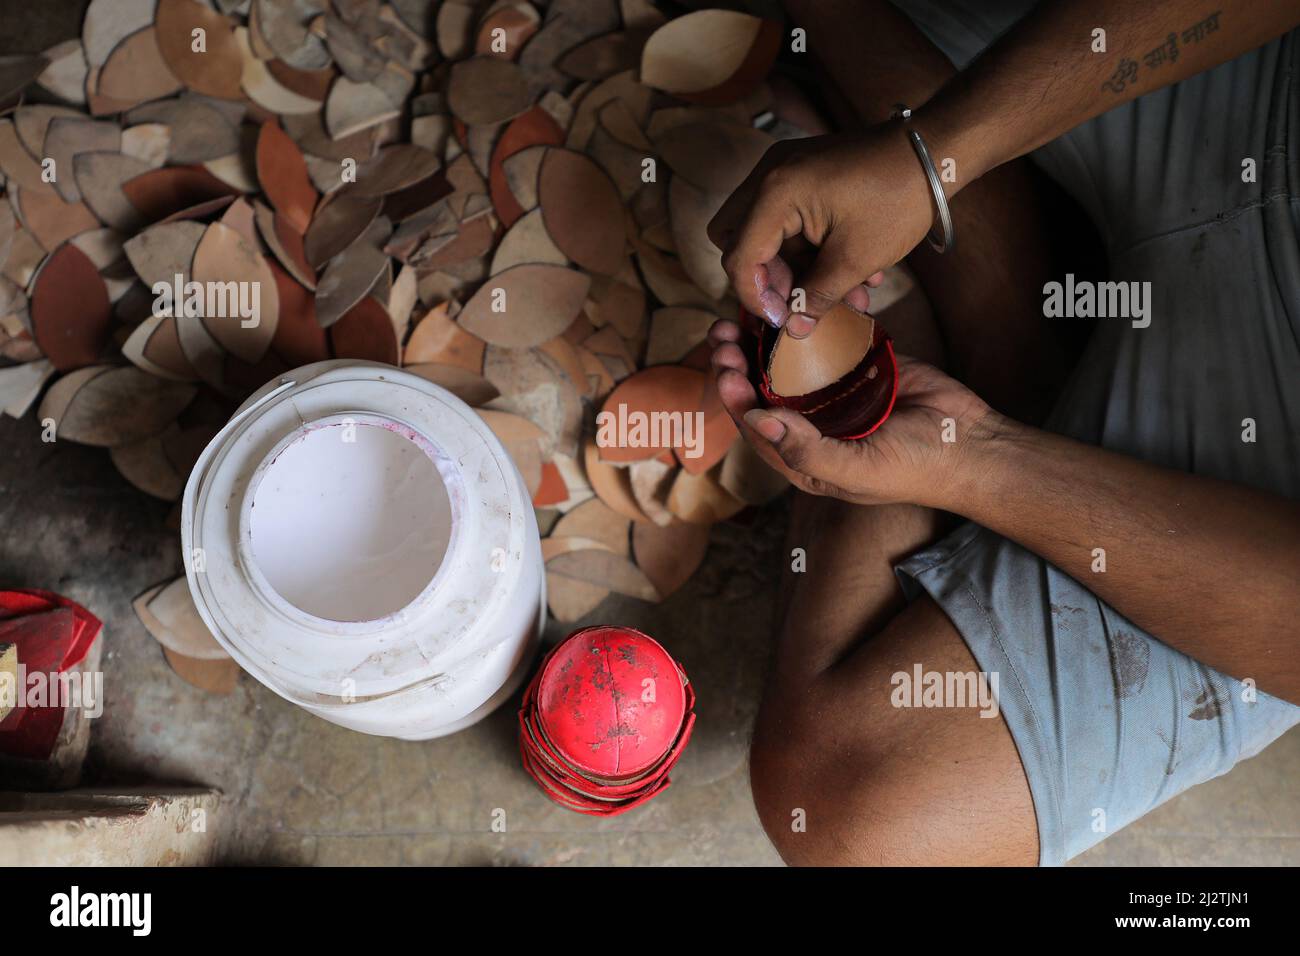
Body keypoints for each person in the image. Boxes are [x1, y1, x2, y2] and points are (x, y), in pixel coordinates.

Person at [706, 0, 1300, 865]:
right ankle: (1003, 293)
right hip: (1264, 86)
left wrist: (975, 458)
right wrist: (931, 156)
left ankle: (999, 314)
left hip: (1261, 520)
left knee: (852, 804)